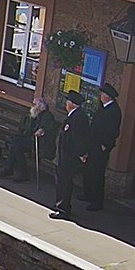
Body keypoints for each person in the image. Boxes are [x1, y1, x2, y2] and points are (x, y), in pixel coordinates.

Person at [0, 97, 57, 182]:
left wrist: (42, 130)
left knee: (16, 144)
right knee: (16, 144)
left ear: (40, 107)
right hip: (31, 140)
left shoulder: (47, 116)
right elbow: (28, 131)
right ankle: (15, 171)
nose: (32, 106)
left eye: (34, 104)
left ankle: (14, 171)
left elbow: (48, 130)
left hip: (41, 144)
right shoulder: (34, 115)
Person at [51, 91, 91, 220]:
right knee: (60, 182)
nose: (66, 104)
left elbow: (78, 139)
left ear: (72, 104)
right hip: (63, 156)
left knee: (65, 183)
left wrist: (81, 153)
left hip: (68, 158)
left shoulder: (79, 118)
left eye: (68, 101)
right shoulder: (73, 116)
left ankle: (63, 209)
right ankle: (60, 204)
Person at [82, 83, 122, 211]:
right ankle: (88, 194)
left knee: (97, 173)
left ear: (108, 96)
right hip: (93, 143)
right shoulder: (102, 107)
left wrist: (105, 145)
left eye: (103, 94)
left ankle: (97, 201)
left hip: (101, 146)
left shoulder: (114, 110)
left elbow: (113, 131)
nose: (101, 96)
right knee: (89, 170)